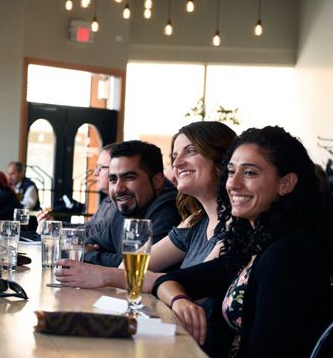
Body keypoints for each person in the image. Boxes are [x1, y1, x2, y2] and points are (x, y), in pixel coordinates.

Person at [153, 126, 333, 358]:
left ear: (286, 184)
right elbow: (169, 280)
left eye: (250, 173)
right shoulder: (254, 245)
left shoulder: (290, 255)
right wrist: (179, 298)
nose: (233, 184)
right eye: (231, 171)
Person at [58, 123, 236, 310]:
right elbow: (129, 270)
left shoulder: (236, 226)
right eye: (174, 157)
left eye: (190, 151)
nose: (176, 164)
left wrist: (104, 274)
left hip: (195, 337)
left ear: (223, 159)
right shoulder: (194, 221)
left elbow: (193, 287)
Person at [81, 140, 181, 267]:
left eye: (129, 177)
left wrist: (93, 255)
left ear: (157, 181)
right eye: (113, 179)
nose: (118, 188)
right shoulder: (123, 211)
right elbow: (89, 243)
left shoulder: (169, 208)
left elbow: (140, 265)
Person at [83, 143, 117, 241]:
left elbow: (97, 232)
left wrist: (56, 229)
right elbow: (89, 227)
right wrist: (55, 225)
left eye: (100, 168)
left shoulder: (121, 203)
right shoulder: (107, 199)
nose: (95, 173)